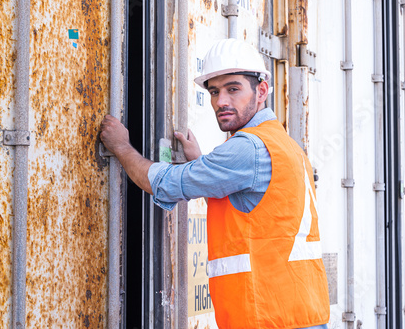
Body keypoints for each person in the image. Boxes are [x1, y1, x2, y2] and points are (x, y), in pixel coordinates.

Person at [100, 38, 330, 329]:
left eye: (233, 89)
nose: (221, 101)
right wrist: (202, 164)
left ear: (261, 91)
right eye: (214, 92)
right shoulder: (284, 145)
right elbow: (253, 210)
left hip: (269, 318)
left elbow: (166, 183)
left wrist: (122, 148)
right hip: (301, 314)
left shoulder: (249, 148)